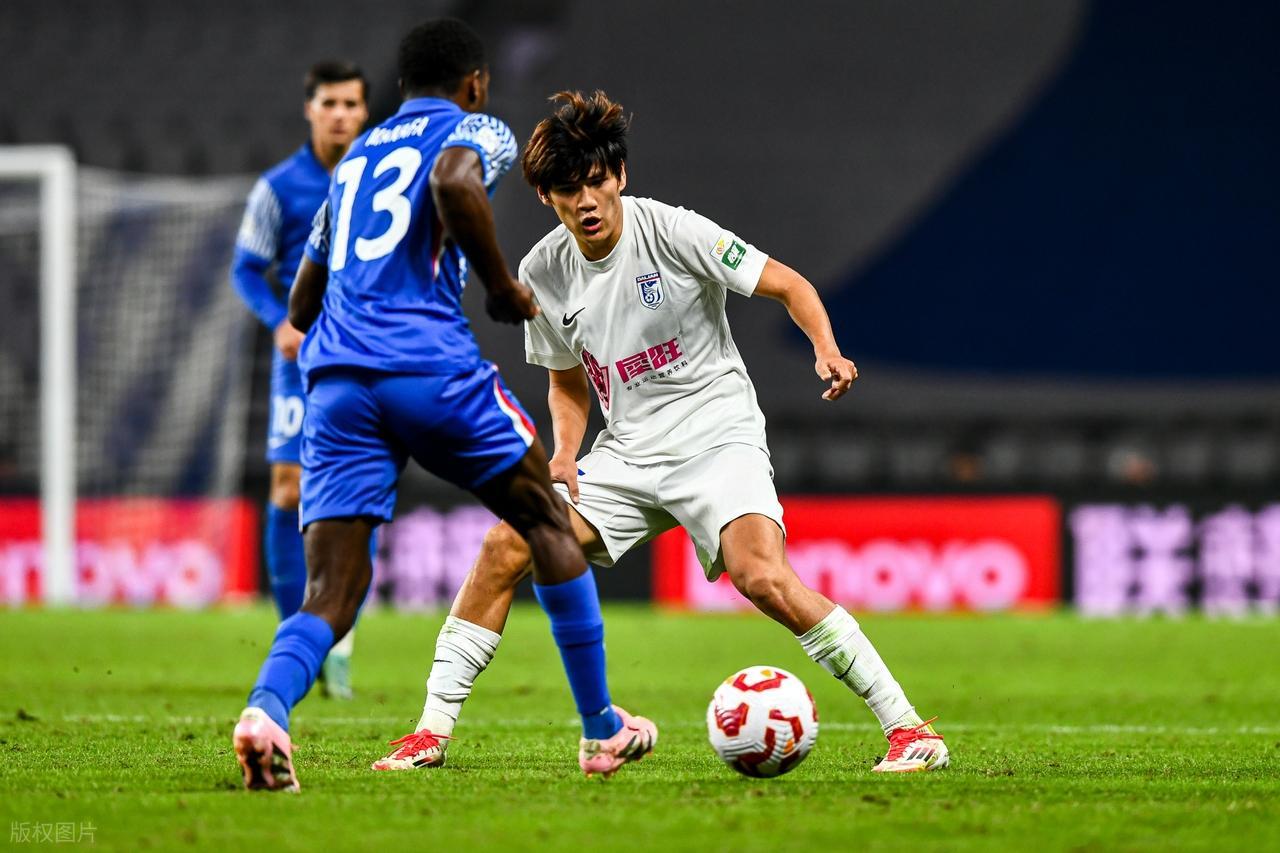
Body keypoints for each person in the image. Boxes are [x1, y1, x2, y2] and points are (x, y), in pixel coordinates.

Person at [374, 90, 949, 775]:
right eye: (568, 190)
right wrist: (564, 452)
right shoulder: (541, 271)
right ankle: (429, 733)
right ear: (546, 195)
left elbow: (789, 285)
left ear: (618, 175)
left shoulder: (674, 231)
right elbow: (566, 380)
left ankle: (910, 729)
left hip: (717, 436)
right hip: (627, 452)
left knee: (761, 577)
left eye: (595, 181)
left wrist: (826, 348)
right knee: (506, 545)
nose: (586, 200)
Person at [232, 22, 655, 793]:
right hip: (426, 364)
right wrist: (501, 287)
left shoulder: (353, 163)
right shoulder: (475, 129)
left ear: (398, 90)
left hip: (338, 384)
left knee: (333, 590)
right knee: (547, 520)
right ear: (475, 84)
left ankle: (266, 711)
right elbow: (456, 182)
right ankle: (601, 726)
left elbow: (300, 299)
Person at [230, 60, 369, 699]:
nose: (340, 114)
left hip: (364, 355)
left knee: (357, 493)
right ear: (310, 109)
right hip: (302, 360)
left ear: (364, 112)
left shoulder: (381, 175)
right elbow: (245, 268)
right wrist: (278, 322)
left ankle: (339, 640)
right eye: (329, 103)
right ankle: (299, 638)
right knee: (288, 488)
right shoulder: (279, 187)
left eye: (351, 104)